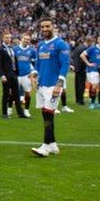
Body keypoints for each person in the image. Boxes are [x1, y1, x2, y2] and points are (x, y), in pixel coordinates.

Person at [30, 18, 70, 157]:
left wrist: (59, 84)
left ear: (53, 27)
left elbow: (65, 65)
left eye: (47, 26)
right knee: (46, 115)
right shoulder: (40, 45)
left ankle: (45, 147)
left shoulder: (61, 44)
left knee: (48, 115)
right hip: (42, 85)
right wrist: (34, 74)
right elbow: (38, 65)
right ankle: (52, 145)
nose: (45, 29)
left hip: (53, 85)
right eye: (42, 27)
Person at [82, 36, 100, 110]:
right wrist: (88, 64)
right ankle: (92, 103)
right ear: (97, 40)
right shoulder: (92, 48)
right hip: (93, 70)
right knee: (94, 86)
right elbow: (82, 55)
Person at [13, 33, 36, 118]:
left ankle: (26, 110)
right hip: (16, 75)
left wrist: (33, 72)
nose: (26, 40)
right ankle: (9, 109)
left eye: (28, 39)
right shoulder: (15, 49)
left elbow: (35, 62)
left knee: (28, 93)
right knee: (13, 93)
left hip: (26, 75)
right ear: (21, 39)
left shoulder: (32, 50)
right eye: (25, 39)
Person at [0, 32, 18, 119]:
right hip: (6, 74)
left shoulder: (12, 48)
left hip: (14, 73)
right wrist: (1, 75)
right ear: (2, 38)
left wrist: (17, 73)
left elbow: (14, 61)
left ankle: (20, 113)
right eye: (6, 37)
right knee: (6, 94)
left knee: (16, 93)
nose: (9, 39)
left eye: (10, 37)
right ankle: (4, 113)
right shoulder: (0, 49)